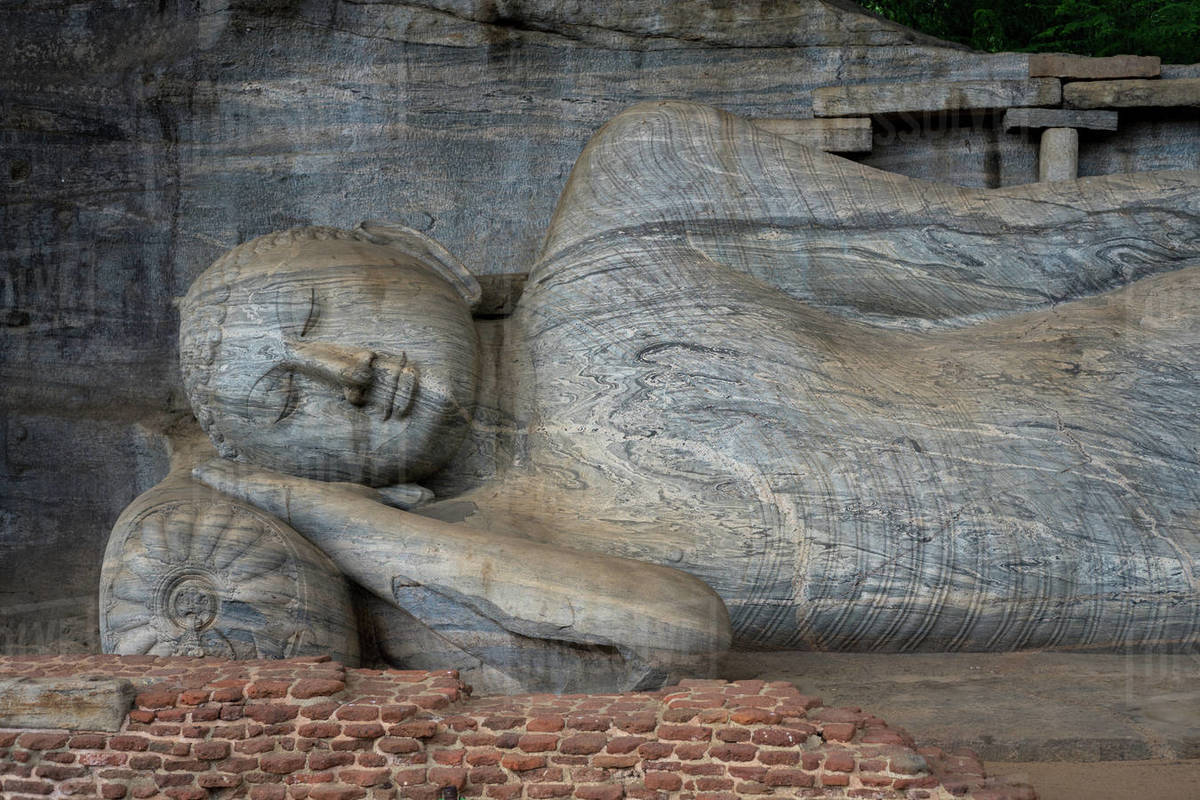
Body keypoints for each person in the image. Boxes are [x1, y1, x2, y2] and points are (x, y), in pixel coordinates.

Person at [185, 102, 1200, 676]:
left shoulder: (634, 205)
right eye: (285, 408)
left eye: (322, 313)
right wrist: (332, 519)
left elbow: (1024, 247)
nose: (345, 372)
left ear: (412, 251)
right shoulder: (476, 570)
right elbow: (676, 630)